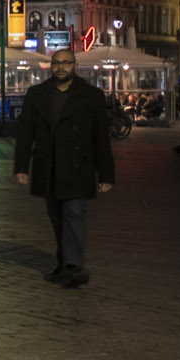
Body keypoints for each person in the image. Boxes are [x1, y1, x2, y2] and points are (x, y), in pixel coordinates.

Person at [13, 48, 115, 289]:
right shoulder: (37, 94)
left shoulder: (91, 96)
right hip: (48, 166)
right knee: (57, 218)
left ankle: (74, 266)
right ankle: (64, 263)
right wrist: (21, 166)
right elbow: (25, 133)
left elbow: (101, 137)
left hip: (78, 166)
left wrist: (106, 174)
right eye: (56, 63)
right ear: (51, 65)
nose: (61, 67)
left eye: (66, 63)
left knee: (74, 214)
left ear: (75, 65)